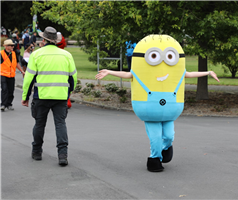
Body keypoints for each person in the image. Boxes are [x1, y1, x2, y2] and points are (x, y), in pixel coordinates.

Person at [96, 35, 220, 172]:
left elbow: (188, 74)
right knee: (155, 137)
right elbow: (128, 74)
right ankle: (154, 159)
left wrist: (208, 72)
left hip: (170, 109)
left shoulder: (177, 71)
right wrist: (109, 72)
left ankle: (166, 148)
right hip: (149, 109)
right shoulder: (140, 71)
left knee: (169, 136)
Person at [21, 26, 77, 166]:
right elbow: (73, 78)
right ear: (56, 41)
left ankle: (37, 152)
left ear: (44, 39)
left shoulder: (36, 55)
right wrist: (68, 92)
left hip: (42, 96)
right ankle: (62, 155)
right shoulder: (66, 55)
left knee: (39, 124)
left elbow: (29, 78)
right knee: (60, 124)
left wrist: (25, 97)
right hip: (60, 96)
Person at [0, 39, 25, 111]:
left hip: (11, 75)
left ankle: (9, 104)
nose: (12, 46)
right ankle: (3, 104)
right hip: (2, 74)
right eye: (11, 45)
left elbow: (17, 63)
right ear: (6, 46)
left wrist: (22, 71)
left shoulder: (14, 53)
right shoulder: (1, 53)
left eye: (12, 45)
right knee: (4, 89)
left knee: (11, 90)